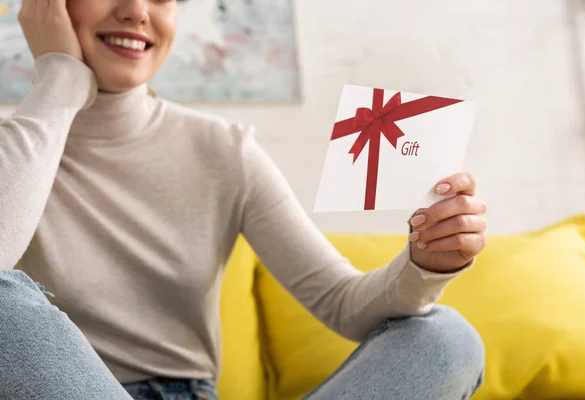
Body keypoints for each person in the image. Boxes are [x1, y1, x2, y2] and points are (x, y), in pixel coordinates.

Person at [0, 0, 488, 398]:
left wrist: (424, 264)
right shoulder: (20, 148)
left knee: (446, 337)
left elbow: (343, 303)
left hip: (185, 394)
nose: (136, 11)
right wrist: (59, 76)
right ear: (49, 8)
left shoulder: (224, 150)